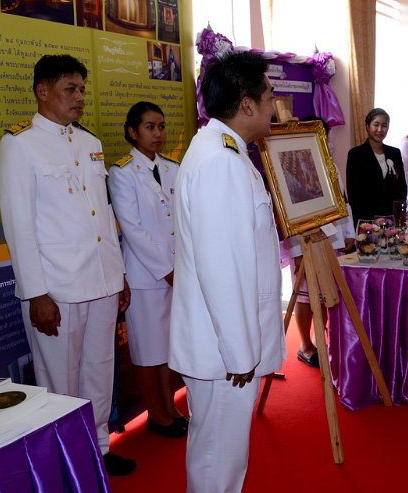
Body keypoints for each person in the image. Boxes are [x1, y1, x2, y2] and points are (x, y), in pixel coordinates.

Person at [0, 54, 135, 476]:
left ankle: (99, 448)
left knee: (100, 371)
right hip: (57, 288)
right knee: (60, 380)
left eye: (81, 89)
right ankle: (66, 461)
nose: (79, 97)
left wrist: (119, 274)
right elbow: (19, 226)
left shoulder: (89, 142)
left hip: (101, 280)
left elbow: (103, 215)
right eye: (70, 89)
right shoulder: (20, 144)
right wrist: (37, 293)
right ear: (43, 91)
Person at [168, 51, 284, 493]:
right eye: (269, 96)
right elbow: (221, 266)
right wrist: (239, 352)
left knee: (222, 457)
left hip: (224, 346)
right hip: (224, 353)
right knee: (218, 460)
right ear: (247, 104)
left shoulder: (225, 150)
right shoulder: (220, 160)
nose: (274, 106)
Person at [108, 102, 187, 438]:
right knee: (146, 351)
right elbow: (132, 228)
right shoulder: (122, 173)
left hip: (177, 274)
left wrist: (181, 268)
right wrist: (167, 270)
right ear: (133, 131)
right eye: (150, 127)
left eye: (162, 126)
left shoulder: (172, 168)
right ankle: (156, 414)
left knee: (169, 348)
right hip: (145, 277)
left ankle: (170, 407)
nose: (158, 133)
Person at [284, 117, 355, 368]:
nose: (322, 139)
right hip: (304, 243)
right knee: (305, 296)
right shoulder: (290, 166)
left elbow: (343, 201)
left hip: (332, 239)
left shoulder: (329, 163)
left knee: (327, 293)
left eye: (324, 135)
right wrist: (296, 251)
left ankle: (320, 338)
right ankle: (305, 344)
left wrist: (348, 233)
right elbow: (290, 213)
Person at [346, 108, 407, 226]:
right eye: (376, 125)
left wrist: (400, 216)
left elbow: (402, 188)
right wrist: (363, 222)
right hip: (367, 219)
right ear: (367, 127)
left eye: (384, 125)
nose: (380, 129)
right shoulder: (356, 154)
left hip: (392, 218)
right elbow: (354, 193)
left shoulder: (395, 153)